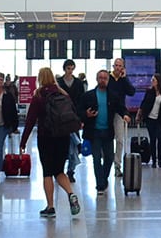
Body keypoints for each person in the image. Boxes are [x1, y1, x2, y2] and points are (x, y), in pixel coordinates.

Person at [20, 67, 81, 218]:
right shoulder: (63, 94)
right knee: (59, 171)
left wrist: (23, 141)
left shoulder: (39, 96)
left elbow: (30, 121)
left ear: (40, 78)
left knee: (48, 171)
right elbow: (73, 115)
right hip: (63, 137)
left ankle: (50, 207)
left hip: (46, 138)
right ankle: (71, 193)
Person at [77, 70, 131, 196]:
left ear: (108, 80)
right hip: (94, 132)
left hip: (107, 132)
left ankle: (103, 178)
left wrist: (125, 115)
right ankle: (100, 185)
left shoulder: (112, 96)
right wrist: (86, 115)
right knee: (96, 158)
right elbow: (79, 111)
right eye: (100, 78)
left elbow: (120, 108)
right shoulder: (88, 96)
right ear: (97, 79)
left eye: (105, 78)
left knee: (109, 158)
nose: (102, 80)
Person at [57, 59, 87, 180]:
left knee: (74, 143)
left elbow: (81, 100)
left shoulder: (78, 83)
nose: (70, 71)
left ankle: (71, 170)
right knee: (62, 143)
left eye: (72, 68)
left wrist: (81, 118)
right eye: (68, 68)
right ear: (64, 69)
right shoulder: (58, 82)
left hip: (74, 116)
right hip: (61, 116)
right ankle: (60, 168)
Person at [138, 74, 161, 168]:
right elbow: (144, 103)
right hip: (150, 118)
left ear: (158, 81)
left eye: (153, 80)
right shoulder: (149, 92)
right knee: (153, 139)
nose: (152, 81)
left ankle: (160, 160)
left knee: (160, 138)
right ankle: (153, 160)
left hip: (160, 119)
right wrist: (140, 113)